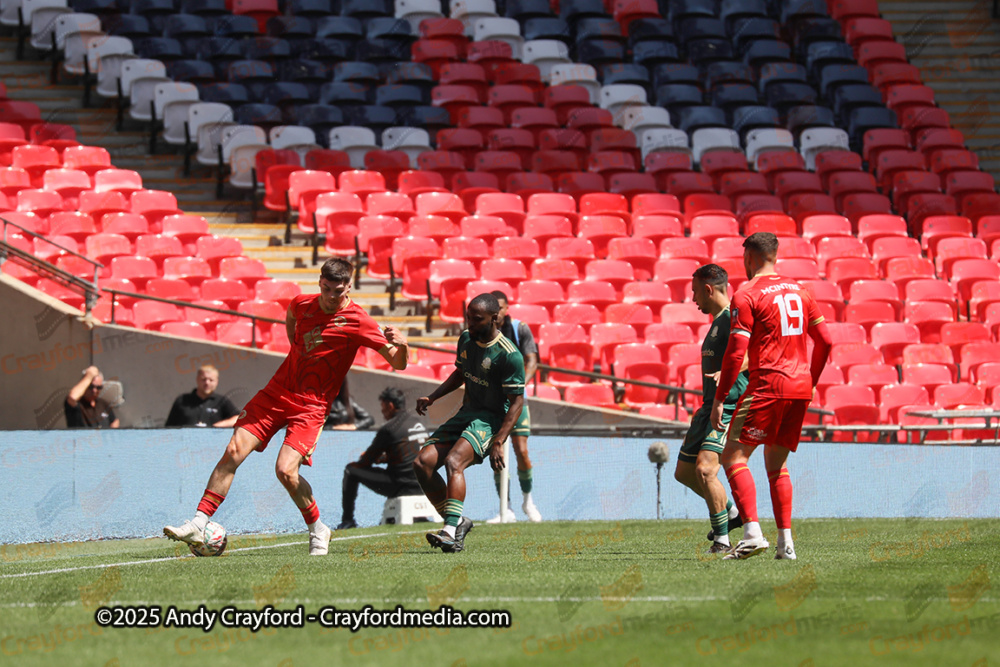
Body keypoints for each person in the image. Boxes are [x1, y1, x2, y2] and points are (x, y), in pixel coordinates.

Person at [164, 258, 409, 556]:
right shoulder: (301, 304)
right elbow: (291, 318)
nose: (332, 296)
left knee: (285, 472)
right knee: (232, 452)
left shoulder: (359, 320)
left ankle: (318, 528)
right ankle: (200, 522)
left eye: (338, 291)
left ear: (349, 286)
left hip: (311, 406)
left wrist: (404, 345)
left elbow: (398, 363)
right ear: (320, 282)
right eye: (327, 288)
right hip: (276, 393)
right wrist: (297, 347)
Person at [711, 233, 832, 561]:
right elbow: (826, 341)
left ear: (749, 258)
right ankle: (786, 544)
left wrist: (721, 397)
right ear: (774, 256)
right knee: (777, 466)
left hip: (766, 385)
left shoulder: (747, 293)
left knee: (733, 457)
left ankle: (751, 533)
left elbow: (736, 353)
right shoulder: (801, 290)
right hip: (799, 388)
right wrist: (812, 380)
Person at [414, 293, 525, 553]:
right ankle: (457, 523)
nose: (469, 325)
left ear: (495, 318)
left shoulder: (510, 356)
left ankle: (450, 532)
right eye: (468, 318)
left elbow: (517, 403)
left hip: (490, 420)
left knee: (454, 461)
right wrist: (433, 397)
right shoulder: (466, 339)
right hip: (467, 412)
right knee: (423, 463)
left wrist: (499, 440)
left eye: (476, 320)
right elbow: (461, 373)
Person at [674, 264, 748, 554]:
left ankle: (722, 541)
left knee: (706, 469)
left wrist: (730, 372)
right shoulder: (718, 321)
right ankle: (731, 514)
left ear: (708, 289)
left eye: (695, 292)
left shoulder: (733, 318)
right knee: (684, 472)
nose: (693, 299)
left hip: (727, 405)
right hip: (708, 406)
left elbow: (755, 351)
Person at [336, 387, 428, 530]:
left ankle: (348, 520)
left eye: (383, 407)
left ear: (390, 405)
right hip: (425, 485)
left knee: (351, 470)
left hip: (402, 486)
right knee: (397, 470)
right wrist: (385, 458)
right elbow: (410, 454)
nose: (382, 411)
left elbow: (366, 461)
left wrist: (369, 459)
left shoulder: (390, 428)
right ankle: (414, 516)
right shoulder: (417, 423)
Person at [487, 290, 542, 524]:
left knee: (521, 450)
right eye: (492, 308)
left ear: (507, 308)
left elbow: (532, 361)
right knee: (496, 452)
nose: (496, 313)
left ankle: (528, 501)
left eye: (499, 308)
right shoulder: (481, 332)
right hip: (493, 402)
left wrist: (518, 386)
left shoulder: (520, 329)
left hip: (517, 401)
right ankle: (505, 508)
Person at [164, 364, 239, 428]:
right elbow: (169, 427)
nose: (207, 383)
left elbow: (238, 418)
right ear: (197, 379)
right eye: (203, 379)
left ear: (217, 382)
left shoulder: (222, 401)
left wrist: (218, 426)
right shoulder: (182, 400)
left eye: (211, 380)